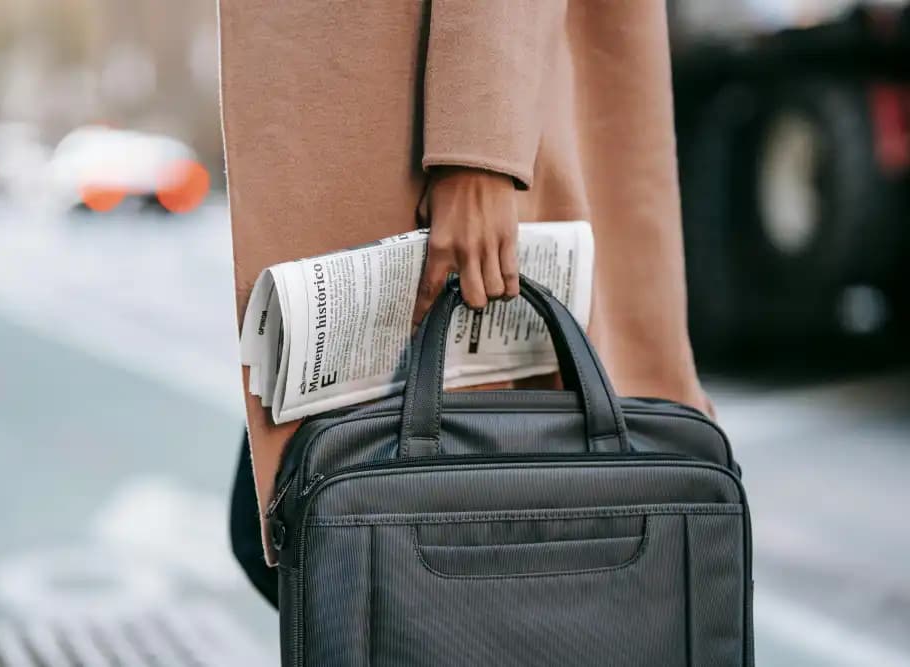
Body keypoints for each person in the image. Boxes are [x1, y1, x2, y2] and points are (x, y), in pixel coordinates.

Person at [220, 0, 713, 577]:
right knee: (320, 534)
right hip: (399, 114)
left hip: (436, 124)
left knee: (364, 547)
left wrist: (480, 148)